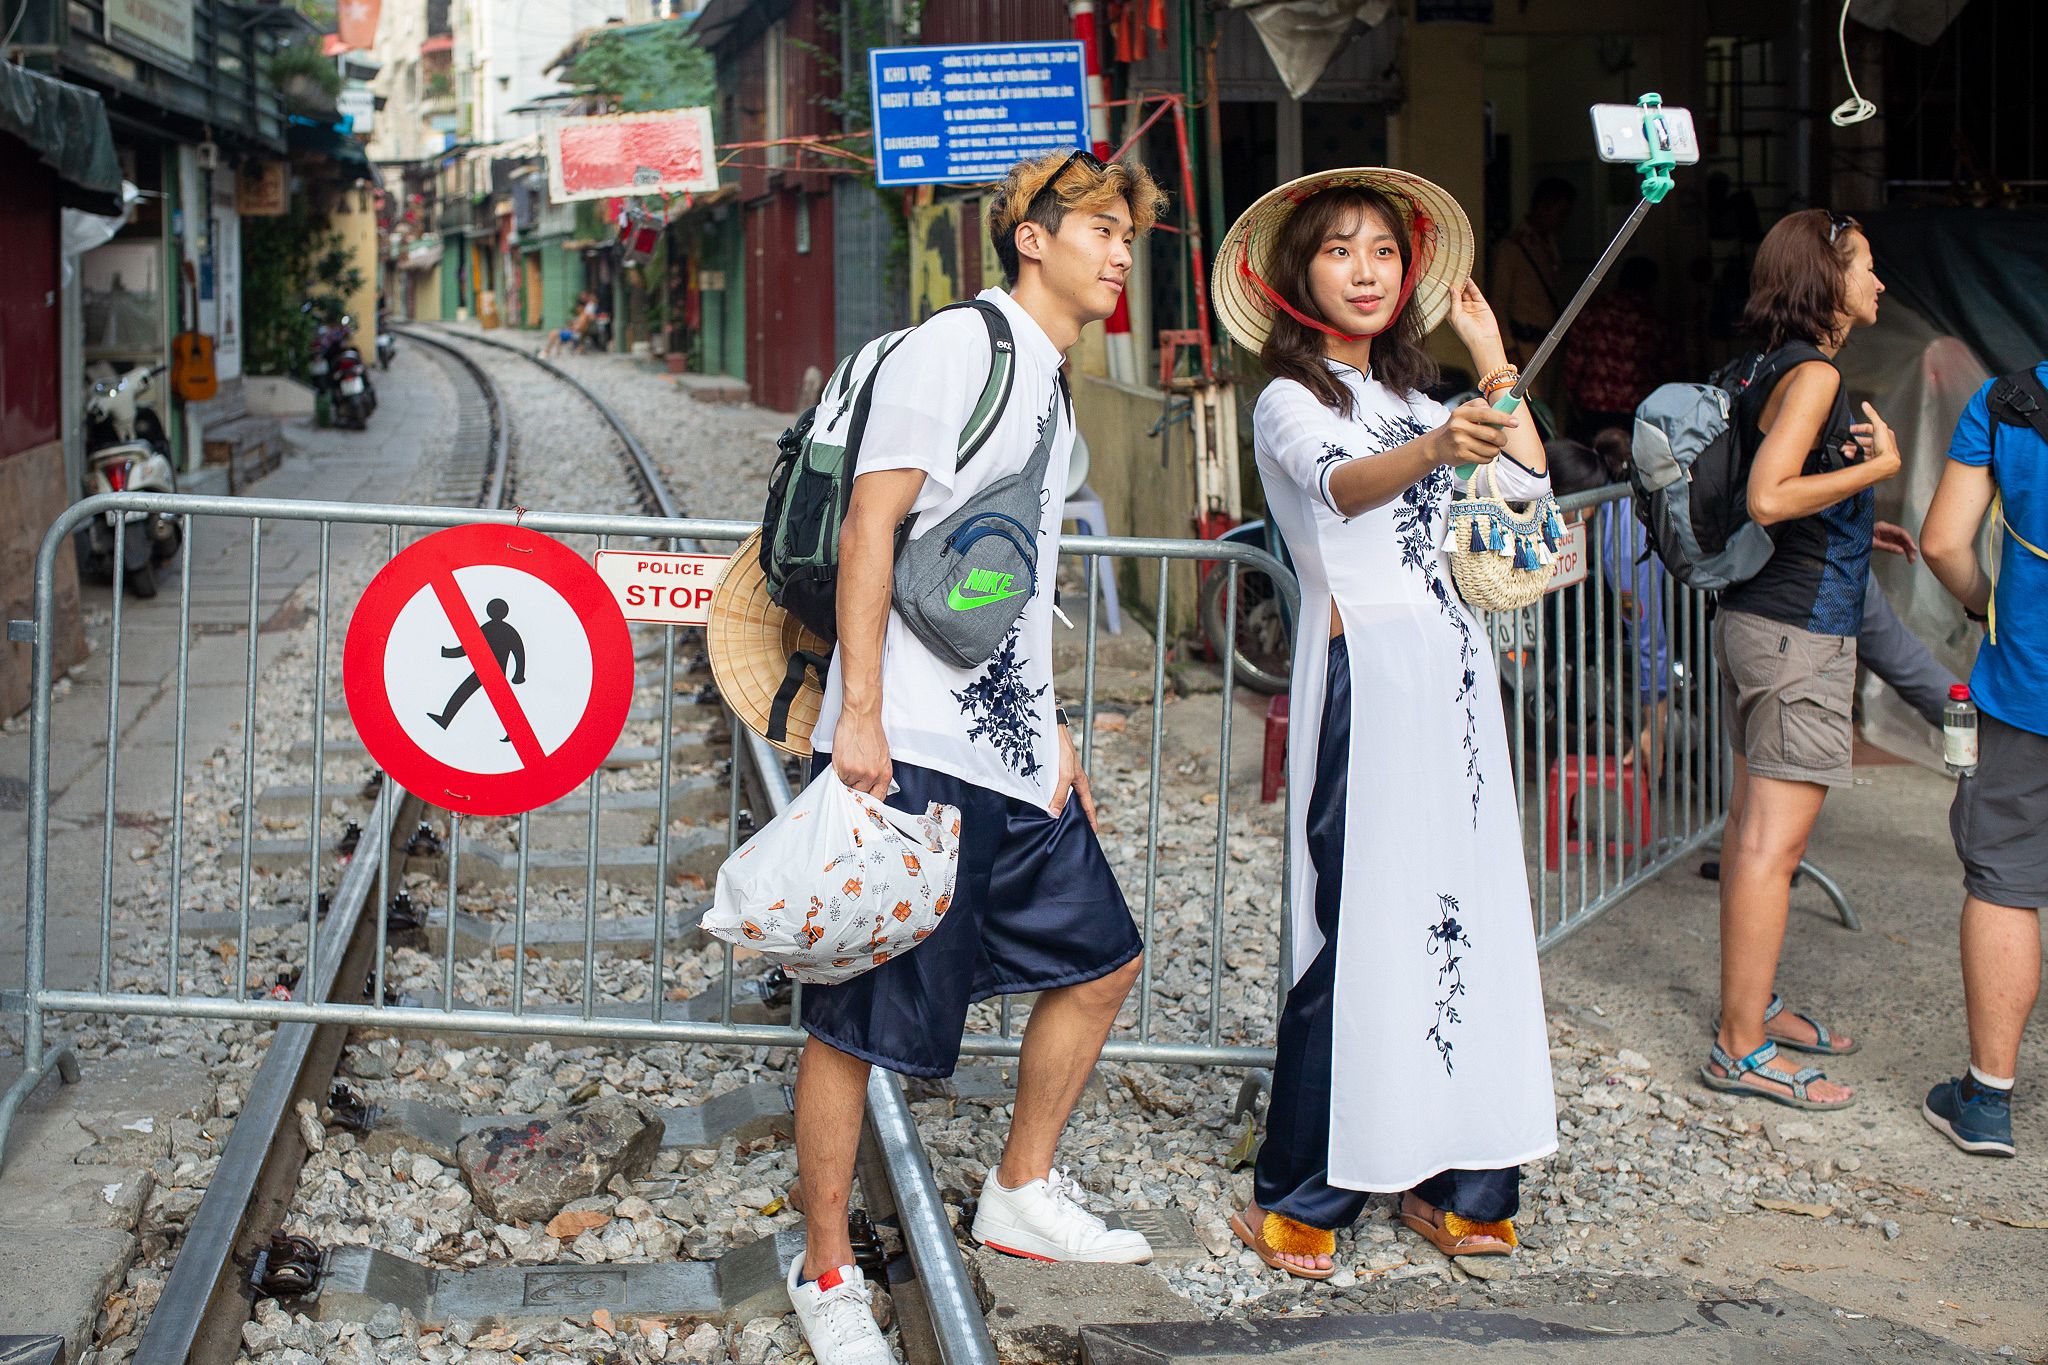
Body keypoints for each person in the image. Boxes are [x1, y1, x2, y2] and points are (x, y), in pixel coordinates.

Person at [787, 148, 1168, 1364]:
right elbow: (871, 525)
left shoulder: (1054, 382)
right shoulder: (956, 350)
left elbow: (1016, 588)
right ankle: (828, 1268)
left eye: (1128, 234)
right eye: (1099, 228)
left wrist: (1051, 729)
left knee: (1101, 958)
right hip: (914, 747)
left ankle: (1018, 1193)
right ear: (1030, 237)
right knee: (857, 1018)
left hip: (1008, 751)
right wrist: (858, 717)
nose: (1118, 252)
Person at [1211, 169, 1557, 1279]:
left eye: (1380, 253)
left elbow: (1529, 489)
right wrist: (1436, 449)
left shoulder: (1422, 397)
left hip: (1455, 680)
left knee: (1471, 912)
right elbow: (1341, 490)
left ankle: (1459, 1179)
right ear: (1295, 278)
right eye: (1337, 252)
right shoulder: (1287, 400)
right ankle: (1301, 1191)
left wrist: (1493, 355)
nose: (1363, 271)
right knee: (1358, 926)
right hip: (1361, 669)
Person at [1703, 210, 1906, 1111]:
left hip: (1755, 620)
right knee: (1766, 852)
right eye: (1867, 268)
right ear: (1830, 280)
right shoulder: (1816, 371)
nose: (1880, 284)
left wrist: (1861, 516)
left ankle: (1753, 1011)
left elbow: (1782, 491)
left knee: (1754, 838)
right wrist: (1873, 473)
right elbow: (1769, 495)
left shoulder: (1764, 364)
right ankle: (1740, 1047)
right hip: (1797, 637)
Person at [1919, 358, 2048, 1158]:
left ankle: (1989, 1101)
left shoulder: (2010, 403)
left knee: (2005, 879)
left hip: (2027, 686)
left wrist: (1984, 599)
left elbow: (1942, 542)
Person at [1490, 177, 1575, 417]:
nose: (1562, 221)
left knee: (1553, 413)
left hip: (1549, 345)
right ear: (1543, 206)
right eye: (1559, 213)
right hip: (1523, 346)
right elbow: (1498, 302)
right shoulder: (1512, 248)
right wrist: (1510, 349)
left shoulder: (1550, 244)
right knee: (1533, 413)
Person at [1565, 257, 1674, 443]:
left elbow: (1574, 360)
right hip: (1638, 408)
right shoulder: (1654, 319)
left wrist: (1570, 398)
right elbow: (1671, 367)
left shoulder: (1594, 312)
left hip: (1593, 405)